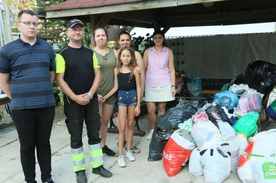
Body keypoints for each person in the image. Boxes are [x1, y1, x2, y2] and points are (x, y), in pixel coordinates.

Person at [0, 9, 56, 183]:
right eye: (28, 23)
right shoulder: (7, 50)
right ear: (19, 25)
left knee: (44, 144)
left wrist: (42, 89)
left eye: (35, 23)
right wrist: (16, 97)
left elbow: (52, 74)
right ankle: (30, 180)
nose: (32, 26)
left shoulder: (47, 47)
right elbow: (3, 81)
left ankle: (47, 178)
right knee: (27, 146)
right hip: (22, 109)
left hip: (46, 105)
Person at [55, 19, 112, 183]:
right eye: (74, 29)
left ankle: (97, 166)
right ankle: (80, 170)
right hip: (72, 102)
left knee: (95, 134)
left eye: (80, 29)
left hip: (91, 100)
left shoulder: (90, 53)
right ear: (68, 33)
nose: (78, 32)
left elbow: (98, 75)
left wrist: (90, 94)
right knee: (76, 137)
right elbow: (60, 79)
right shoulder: (62, 55)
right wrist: (74, 97)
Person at [105, 46, 141, 167]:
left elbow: (139, 88)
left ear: (132, 57)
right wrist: (105, 97)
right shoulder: (117, 70)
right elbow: (115, 87)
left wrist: (139, 105)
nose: (125, 58)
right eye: (123, 56)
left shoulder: (135, 70)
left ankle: (128, 150)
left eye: (128, 56)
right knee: (121, 127)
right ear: (120, 57)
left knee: (130, 125)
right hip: (121, 98)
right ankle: (120, 154)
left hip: (132, 98)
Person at [143, 30, 176, 140]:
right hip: (150, 83)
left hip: (164, 82)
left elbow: (171, 69)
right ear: (152, 39)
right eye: (155, 37)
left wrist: (173, 86)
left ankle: (159, 129)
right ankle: (153, 130)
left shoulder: (168, 52)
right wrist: (141, 86)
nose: (157, 39)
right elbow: (144, 68)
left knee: (162, 108)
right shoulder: (148, 51)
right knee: (150, 110)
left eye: (160, 37)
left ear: (163, 39)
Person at [116, 31, 145, 154]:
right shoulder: (116, 54)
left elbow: (141, 75)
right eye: (122, 40)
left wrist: (140, 97)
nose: (124, 42)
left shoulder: (136, 54)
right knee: (122, 123)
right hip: (121, 94)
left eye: (127, 40)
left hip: (133, 92)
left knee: (130, 122)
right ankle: (122, 145)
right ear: (118, 41)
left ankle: (129, 145)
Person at [93, 27, 117, 156]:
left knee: (106, 121)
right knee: (97, 121)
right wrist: (94, 93)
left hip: (110, 92)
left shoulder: (114, 52)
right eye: (98, 36)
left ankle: (103, 145)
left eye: (103, 35)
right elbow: (87, 75)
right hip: (96, 92)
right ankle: (95, 145)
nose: (101, 38)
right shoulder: (90, 53)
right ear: (94, 38)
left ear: (107, 37)